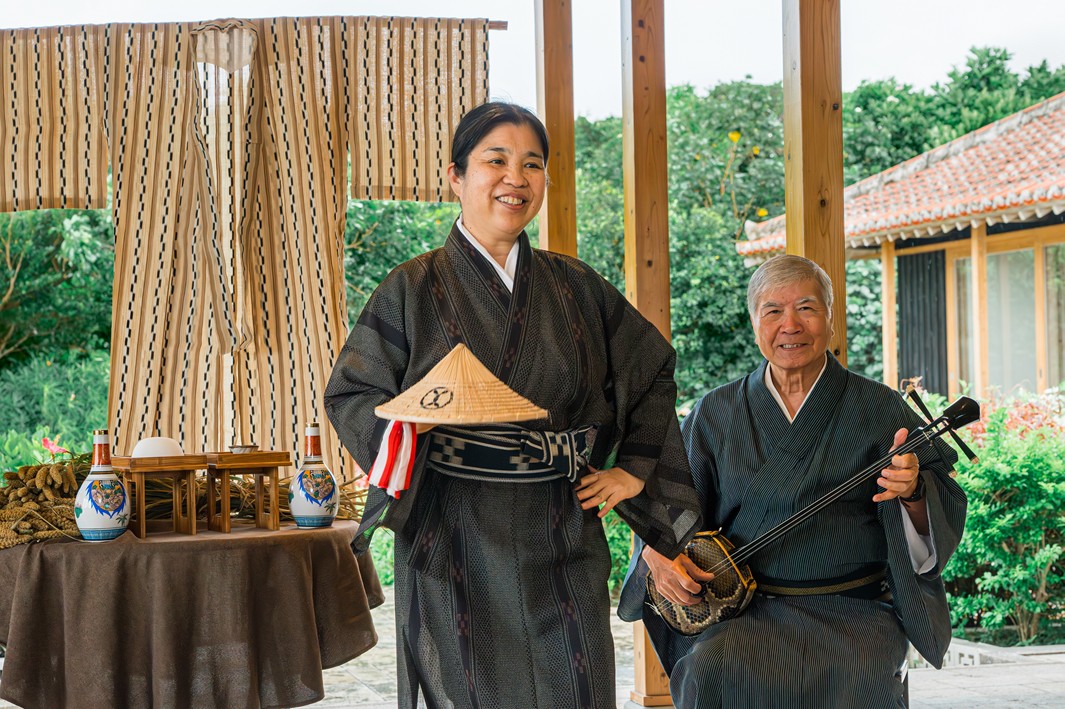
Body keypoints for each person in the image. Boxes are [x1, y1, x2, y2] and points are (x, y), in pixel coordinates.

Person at [324, 101, 701, 709]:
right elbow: (353, 392)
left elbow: (651, 367)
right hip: (453, 534)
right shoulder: (412, 288)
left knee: (574, 689)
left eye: (532, 164)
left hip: (561, 530)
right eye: (495, 161)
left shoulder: (576, 287)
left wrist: (632, 471)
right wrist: (408, 433)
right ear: (456, 175)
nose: (515, 179)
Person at [618, 255, 968, 708]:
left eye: (806, 308)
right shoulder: (715, 414)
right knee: (710, 669)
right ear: (753, 322)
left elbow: (935, 508)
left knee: (864, 670)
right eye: (773, 311)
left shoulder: (881, 409)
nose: (791, 325)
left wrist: (914, 492)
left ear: (830, 318)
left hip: (855, 609)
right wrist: (657, 555)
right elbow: (666, 508)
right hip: (747, 610)